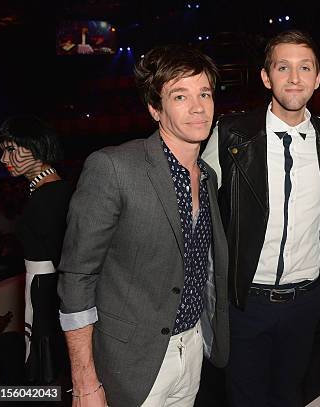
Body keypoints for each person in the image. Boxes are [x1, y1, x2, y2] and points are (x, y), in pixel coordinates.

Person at [57, 45, 229, 406]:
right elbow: (76, 278)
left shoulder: (208, 176)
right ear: (155, 108)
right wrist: (85, 380)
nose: (198, 107)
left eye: (205, 94)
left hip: (193, 347)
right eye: (180, 96)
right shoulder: (114, 167)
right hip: (131, 361)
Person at [201, 29, 320, 407]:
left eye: (304, 68)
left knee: (290, 396)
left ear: (318, 78)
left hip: (306, 302)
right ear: (267, 77)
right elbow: (195, 208)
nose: (294, 78)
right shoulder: (231, 135)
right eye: (283, 67)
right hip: (246, 301)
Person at [0, 116, 72, 384]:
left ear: (37, 148)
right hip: (42, 287)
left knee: (46, 368)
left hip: (46, 290)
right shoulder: (45, 191)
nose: (4, 159)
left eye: (11, 149)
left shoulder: (49, 195)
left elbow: (66, 260)